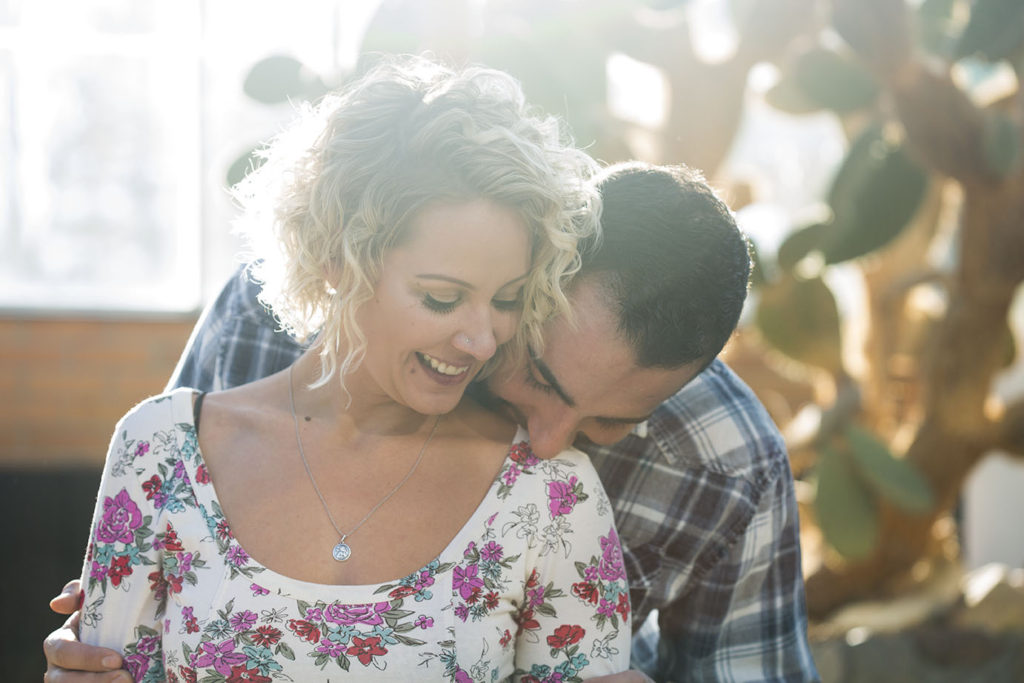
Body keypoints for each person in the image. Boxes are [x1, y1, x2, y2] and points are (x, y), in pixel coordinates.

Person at [45, 166, 818, 679]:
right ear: (520, 286)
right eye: (538, 375)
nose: (548, 441)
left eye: (613, 423)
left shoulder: (728, 459)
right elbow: (167, 516)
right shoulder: (276, 313)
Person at [65, 54, 637, 682]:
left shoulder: (553, 495)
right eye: (442, 298)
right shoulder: (162, 450)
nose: (481, 340)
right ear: (338, 258)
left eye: (506, 300)